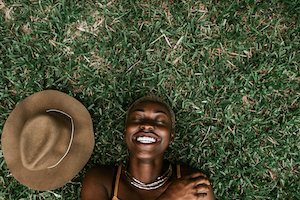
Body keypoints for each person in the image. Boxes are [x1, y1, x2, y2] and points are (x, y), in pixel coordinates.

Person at [81, 96, 215, 200]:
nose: (147, 125)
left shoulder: (193, 182)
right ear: (125, 132)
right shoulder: (101, 180)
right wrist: (170, 197)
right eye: (137, 119)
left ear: (171, 137)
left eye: (160, 121)